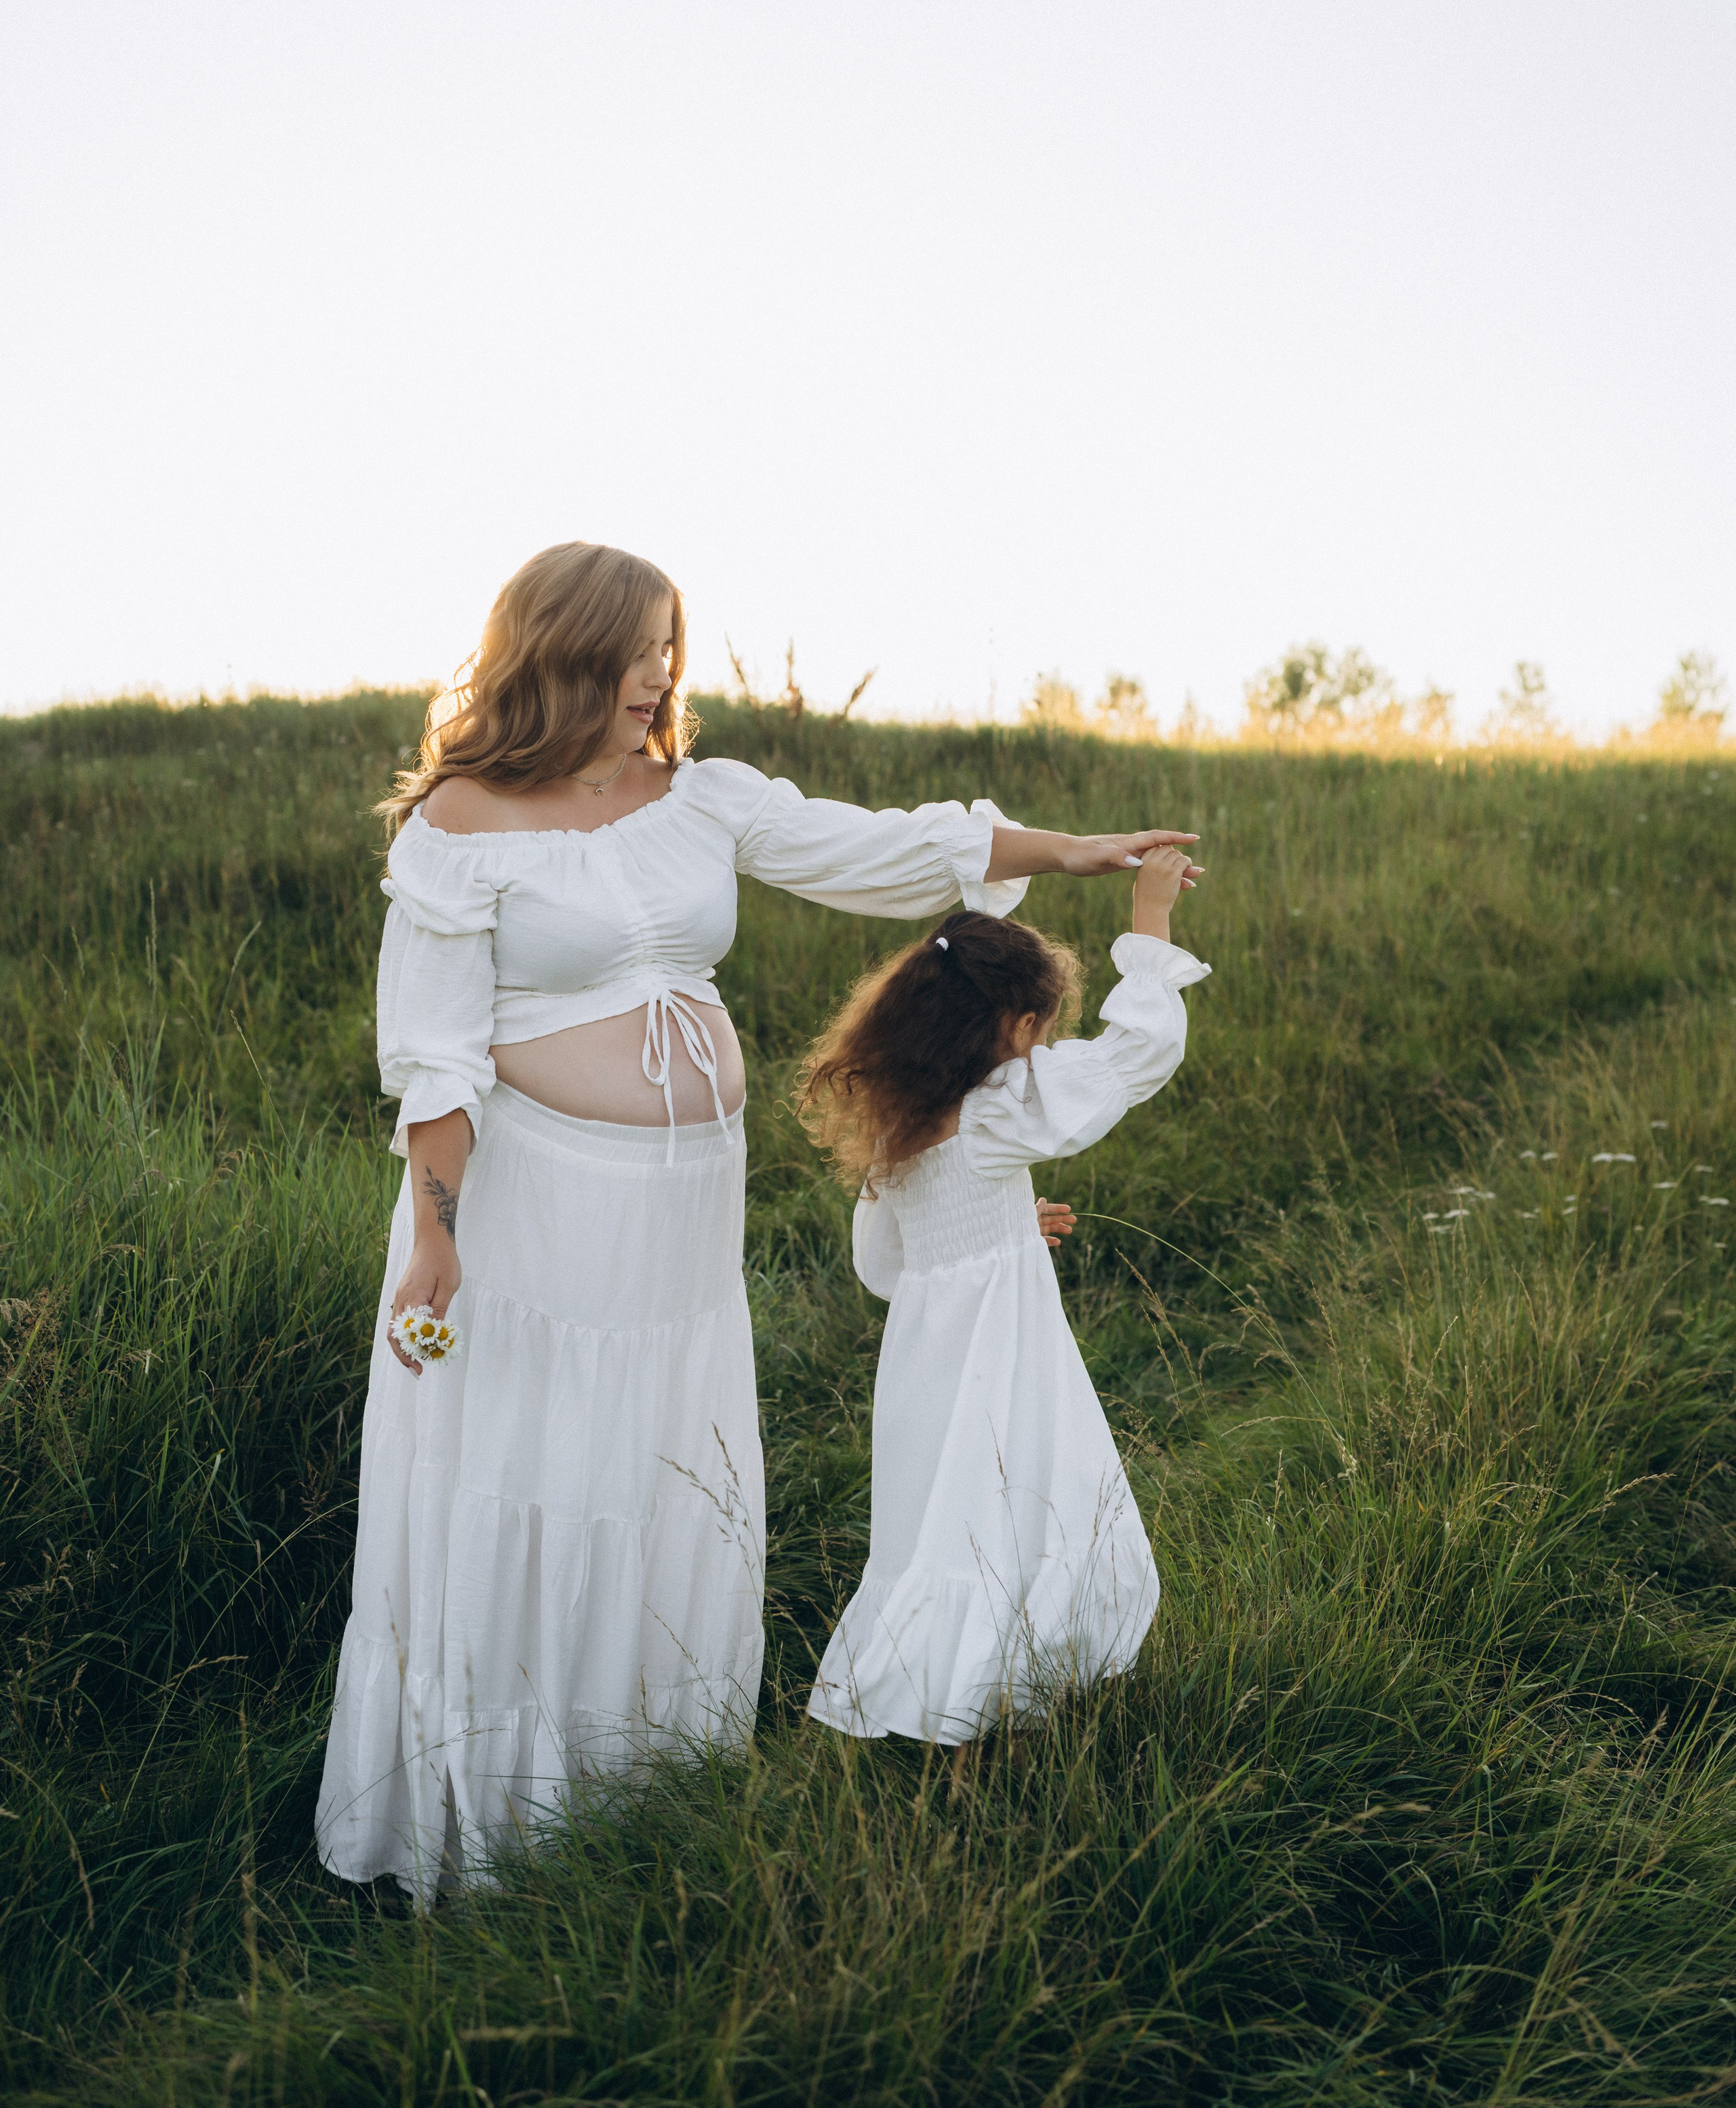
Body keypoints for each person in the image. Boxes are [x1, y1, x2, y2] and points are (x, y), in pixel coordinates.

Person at [313, 538, 1200, 1899]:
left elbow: (890, 849)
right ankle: (502, 1805)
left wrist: (1075, 853)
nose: (659, 673)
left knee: (656, 1461)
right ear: (554, 648)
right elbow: (433, 1056)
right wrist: (438, 1234)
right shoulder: (458, 824)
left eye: (669, 644)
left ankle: (643, 1779)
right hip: (539, 1206)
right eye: (634, 648)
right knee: (537, 1463)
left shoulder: (702, 796)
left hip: (681, 1211)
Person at [797, 843, 1208, 1745]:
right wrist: (1152, 916)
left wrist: (1002, 1231)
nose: (1048, 1045)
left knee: (940, 1520)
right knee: (1024, 1496)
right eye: (1045, 1028)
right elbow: (1136, 1054)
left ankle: (933, 1695)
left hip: (926, 1362)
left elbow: (885, 1265)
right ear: (1016, 1029)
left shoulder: (901, 1122)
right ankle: (994, 1712)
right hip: (1001, 1354)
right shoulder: (994, 1113)